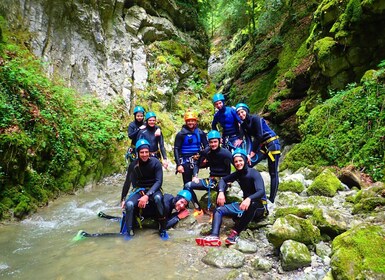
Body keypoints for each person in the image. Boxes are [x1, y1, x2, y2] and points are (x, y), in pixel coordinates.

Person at [195, 148, 268, 247]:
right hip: (244, 206)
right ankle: (214, 236)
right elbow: (223, 180)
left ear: (245, 160)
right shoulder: (238, 174)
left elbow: (261, 191)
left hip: (259, 208)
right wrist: (221, 192)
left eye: (240, 160)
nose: (238, 163)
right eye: (236, 161)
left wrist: (249, 199)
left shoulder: (254, 173)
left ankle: (235, 234)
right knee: (219, 210)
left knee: (253, 204)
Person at [121, 139, 168, 240]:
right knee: (129, 205)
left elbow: (159, 182)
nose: (144, 154)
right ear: (138, 153)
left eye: (146, 152)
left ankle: (162, 229)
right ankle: (130, 232)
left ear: (149, 152)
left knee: (158, 199)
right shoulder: (133, 165)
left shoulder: (156, 163)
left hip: (154, 189)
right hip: (139, 190)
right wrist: (123, 199)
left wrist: (147, 195)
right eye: (142, 152)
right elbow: (127, 182)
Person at [235, 103, 281, 203]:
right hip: (262, 146)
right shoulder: (243, 125)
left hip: (272, 143)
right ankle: (251, 194)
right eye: (238, 114)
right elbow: (248, 140)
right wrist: (247, 154)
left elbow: (259, 135)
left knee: (273, 173)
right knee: (247, 165)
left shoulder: (256, 119)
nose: (241, 115)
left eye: (242, 112)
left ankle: (271, 200)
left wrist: (252, 151)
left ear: (246, 111)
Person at [183, 130, 233, 217]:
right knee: (187, 185)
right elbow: (197, 164)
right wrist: (195, 176)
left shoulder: (226, 153)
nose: (213, 144)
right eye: (211, 142)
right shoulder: (206, 152)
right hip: (211, 180)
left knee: (219, 199)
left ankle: (217, 215)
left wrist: (231, 179)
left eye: (215, 142)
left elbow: (238, 166)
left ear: (219, 141)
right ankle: (198, 208)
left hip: (224, 181)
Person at [174, 111, 208, 184]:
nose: (190, 123)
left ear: (195, 121)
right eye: (188, 121)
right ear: (186, 122)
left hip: (197, 159)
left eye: (192, 121)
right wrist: (179, 165)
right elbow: (176, 149)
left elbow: (206, 146)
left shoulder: (200, 133)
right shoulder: (181, 134)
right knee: (187, 183)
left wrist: (205, 157)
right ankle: (187, 194)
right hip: (185, 161)